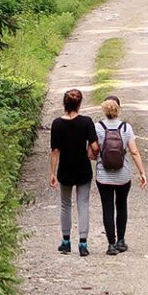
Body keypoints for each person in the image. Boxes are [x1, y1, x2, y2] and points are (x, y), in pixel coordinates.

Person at [49, 88, 98, 256]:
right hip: (83, 169)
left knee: (65, 205)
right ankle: (83, 243)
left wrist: (52, 173)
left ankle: (65, 241)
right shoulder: (86, 122)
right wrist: (92, 154)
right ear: (80, 104)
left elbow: (55, 151)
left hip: (65, 169)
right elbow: (95, 146)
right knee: (83, 204)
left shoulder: (57, 123)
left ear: (65, 103)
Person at [94, 94, 146, 255]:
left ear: (104, 109)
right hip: (122, 175)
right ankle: (121, 241)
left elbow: (93, 150)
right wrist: (142, 172)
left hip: (103, 176)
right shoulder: (126, 128)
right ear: (118, 109)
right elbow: (134, 152)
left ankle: (111, 244)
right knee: (121, 205)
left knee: (107, 208)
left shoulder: (98, 127)